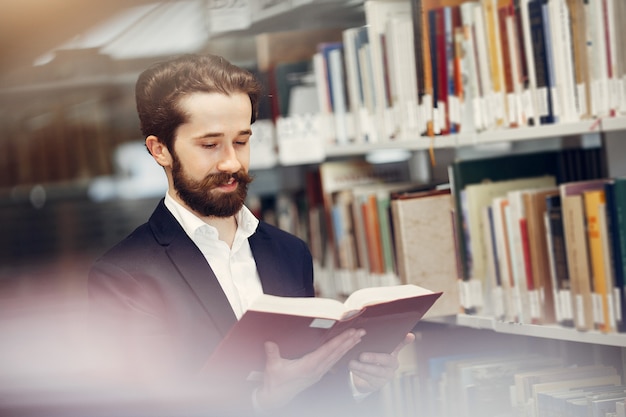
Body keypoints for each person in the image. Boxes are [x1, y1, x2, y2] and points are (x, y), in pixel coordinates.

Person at [88, 53, 414, 416]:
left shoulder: (290, 253)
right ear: (160, 149)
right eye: (210, 145)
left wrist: (357, 384)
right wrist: (262, 401)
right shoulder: (124, 276)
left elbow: (311, 389)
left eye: (241, 141)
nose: (232, 163)